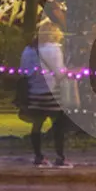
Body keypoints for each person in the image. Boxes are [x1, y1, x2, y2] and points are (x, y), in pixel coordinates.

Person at [16, 19, 70, 167]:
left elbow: (23, 72)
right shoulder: (54, 49)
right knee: (58, 126)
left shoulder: (28, 50)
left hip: (33, 93)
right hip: (52, 93)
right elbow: (59, 73)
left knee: (37, 125)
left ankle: (38, 156)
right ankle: (60, 157)